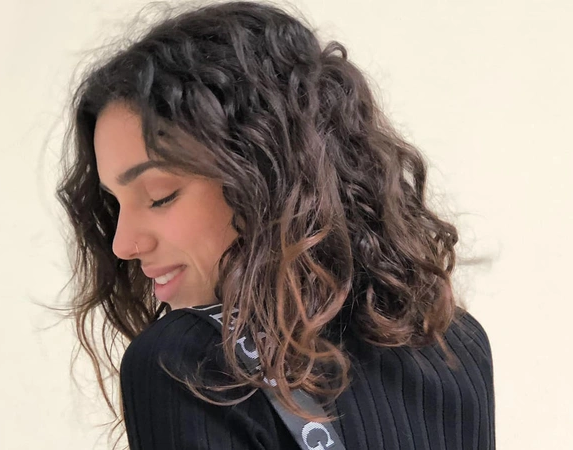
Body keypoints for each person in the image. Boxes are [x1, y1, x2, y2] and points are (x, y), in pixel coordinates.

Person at [56, 1, 495, 449]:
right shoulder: (455, 341)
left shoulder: (187, 361)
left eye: (159, 195)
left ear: (263, 176)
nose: (123, 244)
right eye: (116, 204)